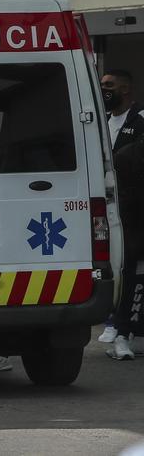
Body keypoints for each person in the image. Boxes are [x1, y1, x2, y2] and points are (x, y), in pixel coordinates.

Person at [101, 69, 144, 343]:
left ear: (125, 89)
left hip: (135, 207)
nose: (105, 89)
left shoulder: (140, 119)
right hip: (108, 207)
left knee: (130, 264)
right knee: (112, 264)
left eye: (109, 85)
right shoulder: (102, 121)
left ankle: (125, 328)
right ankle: (113, 321)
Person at [109, 134, 144, 359]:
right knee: (134, 282)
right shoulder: (127, 156)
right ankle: (122, 334)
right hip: (135, 231)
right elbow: (121, 200)